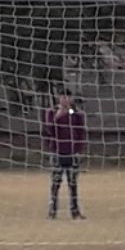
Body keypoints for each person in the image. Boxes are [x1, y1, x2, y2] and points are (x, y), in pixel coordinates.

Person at [43, 89, 86, 220]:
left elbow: (81, 133)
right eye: (62, 96)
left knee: (73, 183)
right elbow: (48, 130)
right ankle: (52, 210)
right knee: (55, 183)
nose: (65, 99)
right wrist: (57, 117)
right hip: (57, 152)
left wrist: (79, 150)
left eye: (68, 96)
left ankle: (75, 210)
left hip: (72, 153)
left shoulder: (77, 114)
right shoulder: (51, 112)